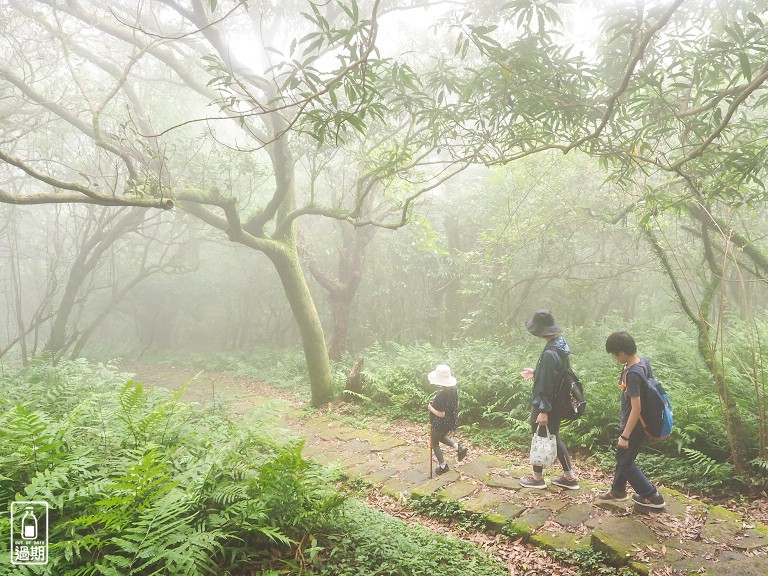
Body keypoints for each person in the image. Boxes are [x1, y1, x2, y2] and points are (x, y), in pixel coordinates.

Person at [601, 331, 666, 508]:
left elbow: (636, 408)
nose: (615, 358)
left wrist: (625, 435)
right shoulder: (642, 362)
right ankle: (618, 490)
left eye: (615, 354)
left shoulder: (633, 374)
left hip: (635, 425)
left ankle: (651, 495)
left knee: (624, 460)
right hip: (637, 422)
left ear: (621, 351)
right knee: (624, 457)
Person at [519, 309, 579, 489]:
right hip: (558, 401)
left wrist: (543, 410)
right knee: (553, 436)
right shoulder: (560, 345)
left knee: (539, 434)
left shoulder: (549, 354)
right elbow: (557, 374)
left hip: (547, 403)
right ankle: (569, 478)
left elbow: (546, 384)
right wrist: (537, 372)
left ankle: (537, 478)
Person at [427, 364, 467, 475]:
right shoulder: (454, 389)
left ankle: (443, 466)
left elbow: (441, 414)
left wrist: (430, 408)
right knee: (442, 437)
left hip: (440, 423)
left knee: (434, 443)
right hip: (450, 420)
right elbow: (456, 403)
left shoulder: (441, 395)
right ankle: (458, 447)